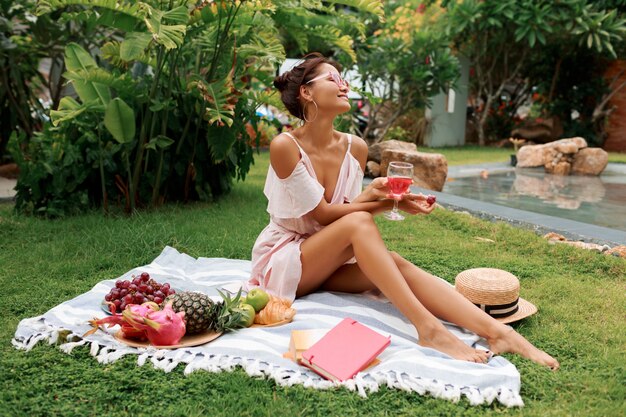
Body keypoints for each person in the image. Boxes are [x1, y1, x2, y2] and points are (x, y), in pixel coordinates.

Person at [247, 53, 559, 369]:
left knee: (393, 263)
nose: (344, 86)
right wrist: (387, 204)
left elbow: (345, 210)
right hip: (286, 262)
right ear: (306, 92)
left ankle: (499, 331)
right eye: (333, 79)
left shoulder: (355, 147)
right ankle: (429, 329)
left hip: (325, 257)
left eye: (344, 79)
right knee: (360, 224)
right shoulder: (285, 146)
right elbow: (325, 216)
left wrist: (375, 193)